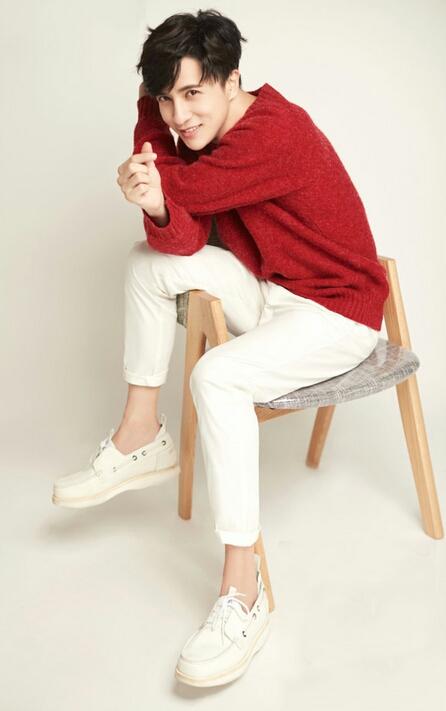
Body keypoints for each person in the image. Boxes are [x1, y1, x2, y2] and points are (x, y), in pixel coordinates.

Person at [52, 8, 389, 688]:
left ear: (233, 80)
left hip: (336, 311)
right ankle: (141, 434)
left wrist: (153, 168)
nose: (179, 117)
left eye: (193, 93)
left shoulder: (273, 133)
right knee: (147, 264)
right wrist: (156, 174)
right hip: (273, 288)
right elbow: (177, 238)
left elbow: (181, 192)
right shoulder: (201, 134)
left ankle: (244, 587)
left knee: (216, 376)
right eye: (164, 99)